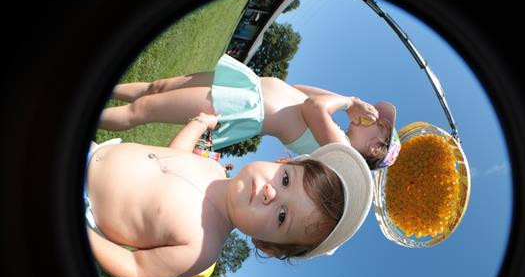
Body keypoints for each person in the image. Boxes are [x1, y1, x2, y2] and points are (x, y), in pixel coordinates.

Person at [85, 113, 373, 277]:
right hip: (96, 150)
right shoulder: (214, 168)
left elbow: (136, 267)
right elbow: (176, 155)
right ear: (281, 161)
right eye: (285, 180)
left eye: (282, 216)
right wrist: (198, 123)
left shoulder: (201, 249)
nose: (271, 193)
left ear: (266, 245)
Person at [99, 53, 401, 170]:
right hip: (248, 85)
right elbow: (300, 89)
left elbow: (312, 107)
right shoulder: (334, 123)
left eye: (380, 124)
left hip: (242, 106)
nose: (373, 115)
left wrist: (350, 101)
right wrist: (347, 104)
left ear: (376, 146)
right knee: (158, 87)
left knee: (142, 110)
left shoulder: (340, 149)